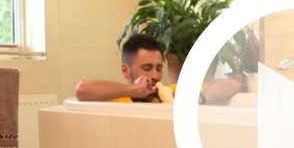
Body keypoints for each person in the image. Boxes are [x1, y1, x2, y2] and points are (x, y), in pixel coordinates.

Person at [75, 35, 241, 104]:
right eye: (147, 68)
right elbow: (83, 90)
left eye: (159, 68)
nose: (155, 75)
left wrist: (197, 99)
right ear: (126, 71)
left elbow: (232, 84)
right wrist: (134, 90)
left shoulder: (172, 94)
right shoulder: (117, 99)